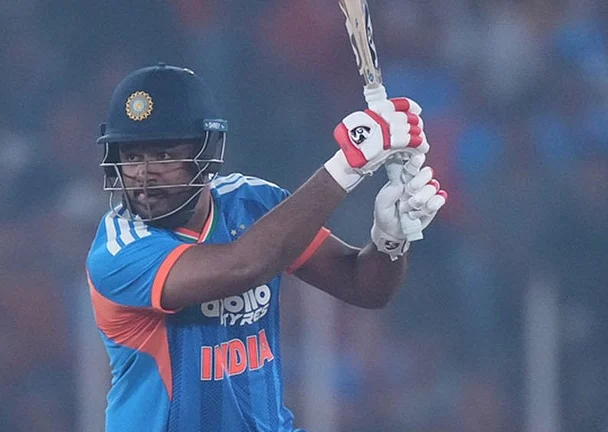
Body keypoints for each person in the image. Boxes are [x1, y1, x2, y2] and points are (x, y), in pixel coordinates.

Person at [86, 63, 447, 432]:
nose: (144, 175)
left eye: (163, 155)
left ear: (205, 151)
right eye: (131, 157)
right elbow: (244, 266)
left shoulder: (253, 202)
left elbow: (364, 287)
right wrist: (348, 165)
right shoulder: (117, 253)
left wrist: (391, 237)